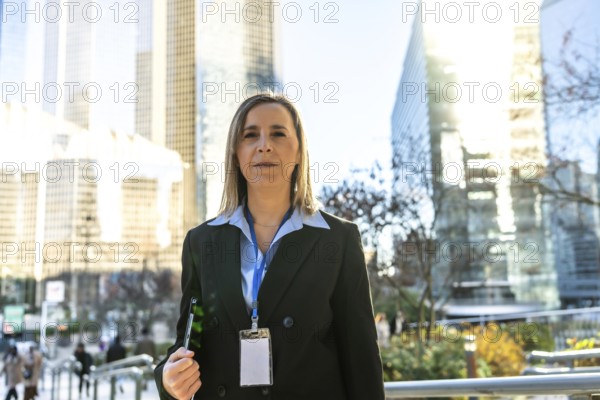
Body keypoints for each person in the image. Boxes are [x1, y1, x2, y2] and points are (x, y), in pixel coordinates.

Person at [154, 93, 385, 399]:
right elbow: (188, 341)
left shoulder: (337, 239)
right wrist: (167, 379)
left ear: (300, 150)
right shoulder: (201, 241)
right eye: (250, 135)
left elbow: (361, 357)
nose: (264, 144)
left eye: (278, 133)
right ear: (236, 152)